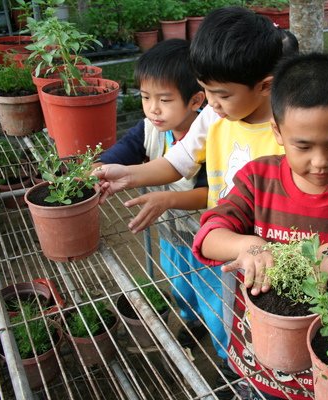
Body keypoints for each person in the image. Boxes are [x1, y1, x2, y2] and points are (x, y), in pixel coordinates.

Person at [93, 6, 291, 396]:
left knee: (253, 325)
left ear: (265, 86)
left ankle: (244, 376)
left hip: (258, 252)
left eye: (222, 94)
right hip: (217, 238)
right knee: (222, 316)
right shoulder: (215, 116)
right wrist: (126, 174)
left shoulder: (283, 133)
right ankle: (232, 365)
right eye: (207, 90)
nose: (212, 103)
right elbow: (177, 162)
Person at [192, 52, 328, 400]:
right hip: (257, 351)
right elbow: (208, 236)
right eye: (303, 145)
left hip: (327, 359)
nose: (321, 161)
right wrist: (247, 246)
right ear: (278, 131)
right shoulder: (258, 179)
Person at [93, 39, 228, 360]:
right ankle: (191, 321)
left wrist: (166, 200)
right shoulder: (150, 129)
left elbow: (210, 193)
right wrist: (96, 169)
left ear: (196, 99)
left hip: (209, 239)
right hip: (173, 235)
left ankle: (227, 358)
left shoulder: (212, 136)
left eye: (164, 99)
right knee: (179, 284)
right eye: (145, 97)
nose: (153, 108)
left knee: (215, 299)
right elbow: (121, 153)